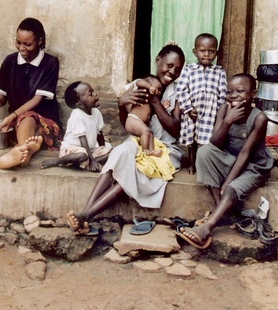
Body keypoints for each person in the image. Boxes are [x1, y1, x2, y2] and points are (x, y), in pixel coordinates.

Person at [66, 42, 186, 236]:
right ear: (158, 60)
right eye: (169, 65)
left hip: (164, 149)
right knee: (120, 152)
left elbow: (175, 129)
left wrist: (155, 102)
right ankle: (84, 215)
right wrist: (121, 104)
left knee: (135, 168)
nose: (172, 72)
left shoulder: (179, 92)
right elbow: (129, 124)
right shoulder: (142, 84)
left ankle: (86, 215)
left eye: (178, 69)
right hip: (140, 141)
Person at [175, 73, 273, 250]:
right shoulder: (224, 110)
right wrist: (227, 121)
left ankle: (207, 227)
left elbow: (245, 154)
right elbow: (215, 143)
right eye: (229, 92)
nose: (233, 95)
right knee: (204, 152)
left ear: (253, 94)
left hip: (253, 165)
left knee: (230, 188)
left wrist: (227, 183)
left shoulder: (259, 118)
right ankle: (224, 212)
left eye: (240, 91)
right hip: (229, 159)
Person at [0, 18, 62, 169]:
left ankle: (21, 154)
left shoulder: (50, 63)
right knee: (28, 127)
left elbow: (37, 99)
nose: (21, 48)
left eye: (27, 44)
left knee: (28, 117)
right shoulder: (10, 61)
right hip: (18, 123)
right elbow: (1, 96)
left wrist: (13, 115)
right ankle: (27, 152)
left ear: (40, 41)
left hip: (46, 120)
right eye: (18, 42)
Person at [176, 33, 227, 174]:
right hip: (192, 111)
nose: (207, 55)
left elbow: (222, 93)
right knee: (192, 142)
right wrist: (187, 108)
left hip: (211, 113)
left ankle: (203, 165)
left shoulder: (219, 71)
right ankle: (192, 164)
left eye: (211, 51)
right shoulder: (188, 70)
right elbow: (181, 90)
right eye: (203, 51)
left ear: (216, 53)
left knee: (206, 141)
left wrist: (219, 113)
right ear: (195, 51)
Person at [40, 81, 111, 172]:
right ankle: (59, 161)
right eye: (90, 93)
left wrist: (103, 149)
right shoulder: (77, 115)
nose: (95, 94)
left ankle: (86, 163)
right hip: (72, 150)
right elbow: (83, 140)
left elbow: (99, 134)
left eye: (93, 91)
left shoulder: (96, 112)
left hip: (91, 150)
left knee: (113, 151)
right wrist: (93, 160)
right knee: (82, 155)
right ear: (79, 104)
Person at [124, 75, 164, 156]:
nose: (159, 92)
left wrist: (164, 106)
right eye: (158, 88)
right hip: (133, 120)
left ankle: (152, 150)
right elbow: (139, 82)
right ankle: (145, 149)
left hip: (138, 121)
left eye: (160, 91)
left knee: (150, 134)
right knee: (146, 131)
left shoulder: (149, 99)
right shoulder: (142, 92)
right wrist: (149, 87)